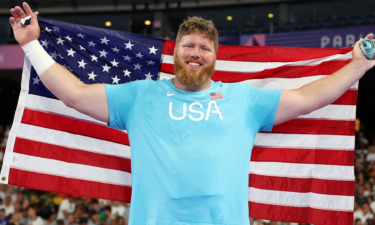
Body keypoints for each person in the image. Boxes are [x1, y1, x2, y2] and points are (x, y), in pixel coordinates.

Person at [9, 2, 375, 225]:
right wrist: (32, 47)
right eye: (189, 45)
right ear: (177, 52)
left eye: (204, 47)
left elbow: (308, 97)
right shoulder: (140, 95)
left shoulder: (244, 99)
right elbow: (74, 95)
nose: (196, 52)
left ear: (215, 57)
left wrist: (357, 67)